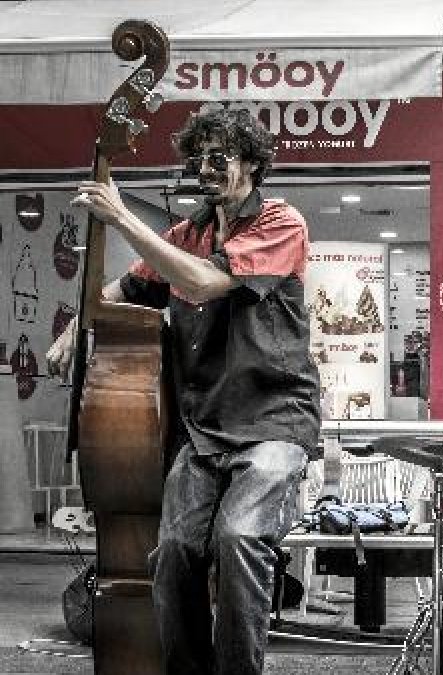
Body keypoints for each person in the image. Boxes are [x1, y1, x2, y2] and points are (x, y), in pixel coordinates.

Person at [47, 108, 320, 675]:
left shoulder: (281, 221)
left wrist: (122, 218)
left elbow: (204, 281)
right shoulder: (188, 234)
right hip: (203, 430)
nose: (206, 168)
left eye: (220, 156)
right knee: (172, 553)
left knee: (239, 537)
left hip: (272, 422)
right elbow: (123, 288)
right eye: (199, 157)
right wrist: (77, 326)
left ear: (251, 163)